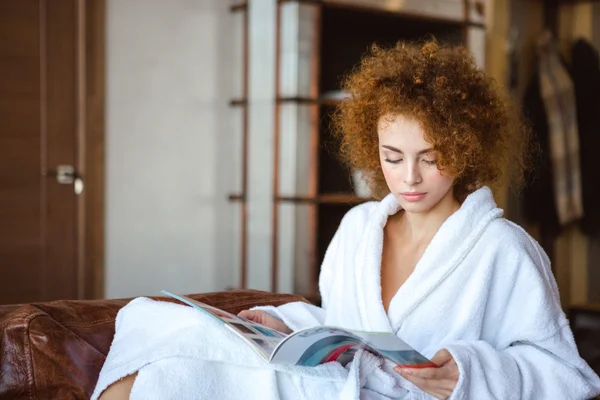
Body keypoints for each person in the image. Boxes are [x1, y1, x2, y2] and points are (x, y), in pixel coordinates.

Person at [96, 41, 600, 400]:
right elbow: (344, 328)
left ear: (466, 149)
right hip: (336, 386)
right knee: (157, 328)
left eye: (431, 155)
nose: (410, 177)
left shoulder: (501, 249)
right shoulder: (360, 229)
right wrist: (285, 325)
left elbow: (568, 377)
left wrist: (469, 375)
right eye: (392, 155)